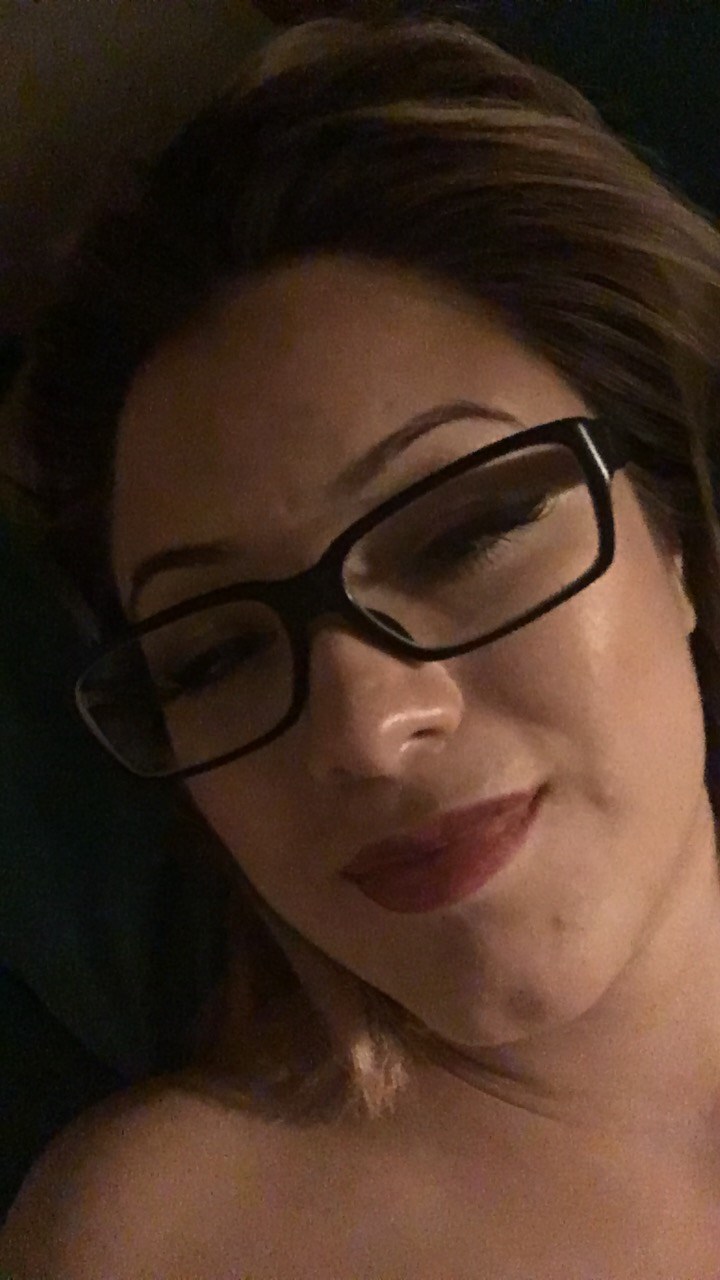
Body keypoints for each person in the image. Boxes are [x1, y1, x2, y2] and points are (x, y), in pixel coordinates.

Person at [2, 12, 720, 1277]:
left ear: (674, 534)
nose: (368, 727)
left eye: (466, 534)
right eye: (213, 657)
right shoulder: (166, 1241)